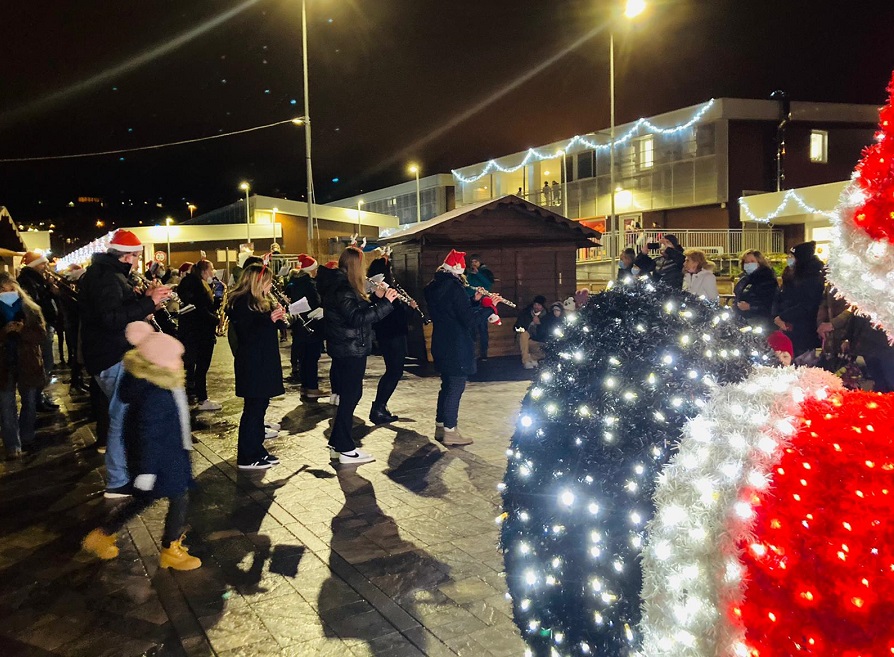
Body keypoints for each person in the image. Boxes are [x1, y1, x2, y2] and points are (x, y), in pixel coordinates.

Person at [81, 322, 200, 571]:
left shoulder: (154, 385)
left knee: (144, 499)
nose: (180, 363)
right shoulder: (156, 393)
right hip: (161, 460)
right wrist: (147, 470)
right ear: (159, 363)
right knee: (179, 498)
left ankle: (103, 534)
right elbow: (148, 434)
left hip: (168, 455)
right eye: (175, 359)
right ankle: (171, 549)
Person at [79, 230, 172, 498]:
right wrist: (148, 302)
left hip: (110, 352)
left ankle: (127, 473)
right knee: (122, 416)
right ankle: (118, 480)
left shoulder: (107, 274)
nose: (137, 262)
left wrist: (146, 299)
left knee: (127, 414)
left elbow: (115, 310)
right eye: (137, 256)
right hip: (112, 354)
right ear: (127, 255)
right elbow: (110, 318)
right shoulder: (107, 278)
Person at [322, 247, 397, 464]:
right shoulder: (343, 288)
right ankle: (346, 449)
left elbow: (356, 312)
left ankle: (338, 443)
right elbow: (356, 318)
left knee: (350, 395)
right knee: (351, 396)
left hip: (349, 347)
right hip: (349, 349)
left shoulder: (343, 286)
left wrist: (376, 297)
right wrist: (385, 304)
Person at [424, 249, 496, 446]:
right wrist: (488, 308)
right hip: (457, 345)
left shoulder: (434, 287)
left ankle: (441, 426)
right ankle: (450, 431)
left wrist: (474, 301)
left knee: (446, 385)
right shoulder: (455, 288)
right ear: (457, 270)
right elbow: (468, 321)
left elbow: (453, 312)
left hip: (442, 342)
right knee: (456, 387)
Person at [226, 263, 286, 470]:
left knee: (261, 406)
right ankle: (246, 455)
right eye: (268, 281)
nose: (271, 286)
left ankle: (257, 449)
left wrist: (279, 318)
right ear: (257, 282)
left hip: (263, 361)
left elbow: (270, 327)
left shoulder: (261, 301)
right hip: (252, 363)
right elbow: (247, 333)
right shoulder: (240, 302)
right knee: (253, 408)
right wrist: (268, 320)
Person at [0, 273, 46, 459]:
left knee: (30, 401)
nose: (7, 293)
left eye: (11, 289)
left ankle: (27, 435)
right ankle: (12, 444)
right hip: (4, 364)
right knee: (6, 405)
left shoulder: (30, 309)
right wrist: (3, 332)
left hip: (28, 362)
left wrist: (22, 330)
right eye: (2, 290)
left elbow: (41, 335)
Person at [367, 253, 416, 425]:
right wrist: (409, 308)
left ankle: (380, 406)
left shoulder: (379, 290)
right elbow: (395, 314)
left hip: (389, 334)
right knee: (394, 371)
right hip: (393, 335)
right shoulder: (382, 289)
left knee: (393, 371)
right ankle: (378, 408)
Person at [176, 259, 221, 411]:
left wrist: (217, 303)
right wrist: (216, 319)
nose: (213, 271)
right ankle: (202, 398)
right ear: (204, 271)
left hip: (194, 332)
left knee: (195, 367)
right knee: (201, 366)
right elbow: (200, 309)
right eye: (212, 268)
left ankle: (197, 396)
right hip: (199, 333)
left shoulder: (195, 283)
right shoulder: (196, 284)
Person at [16, 251, 59, 410]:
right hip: (39, 326)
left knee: (46, 363)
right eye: (43, 264)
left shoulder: (37, 280)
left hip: (45, 324)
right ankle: (36, 400)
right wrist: (48, 290)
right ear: (35, 266)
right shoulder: (28, 281)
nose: (46, 267)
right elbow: (33, 304)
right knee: (44, 363)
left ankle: (39, 397)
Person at [284, 256, 328, 400]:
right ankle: (312, 388)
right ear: (311, 270)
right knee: (312, 357)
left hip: (299, 325)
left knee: (303, 357)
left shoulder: (294, 282)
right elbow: (316, 303)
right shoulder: (310, 284)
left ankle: (304, 387)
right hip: (312, 325)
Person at [773, 241, 825, 360]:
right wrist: (777, 316)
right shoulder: (791, 274)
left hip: (803, 329)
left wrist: (783, 317)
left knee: (801, 360)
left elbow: (808, 305)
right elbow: (779, 296)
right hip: (787, 325)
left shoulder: (813, 277)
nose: (789, 259)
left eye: (792, 257)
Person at [733, 249, 778, 333]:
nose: (749, 264)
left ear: (759, 262)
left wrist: (751, 306)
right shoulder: (745, 279)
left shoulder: (767, 279)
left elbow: (770, 303)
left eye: (752, 261)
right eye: (746, 262)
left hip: (759, 321)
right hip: (744, 318)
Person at [465, 254, 495, 360]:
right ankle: (471, 353)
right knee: (471, 329)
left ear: (479, 262)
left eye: (476, 262)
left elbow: (488, 284)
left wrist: (478, 274)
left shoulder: (485, 272)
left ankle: (483, 354)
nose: (474, 264)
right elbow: (465, 286)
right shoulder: (467, 273)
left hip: (482, 303)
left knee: (483, 329)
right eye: (472, 262)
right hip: (470, 302)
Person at [515, 295, 547, 369]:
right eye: (535, 304)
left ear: (542, 307)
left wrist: (539, 324)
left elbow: (546, 332)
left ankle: (531, 358)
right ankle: (525, 361)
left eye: (539, 305)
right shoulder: (525, 313)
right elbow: (516, 327)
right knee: (524, 334)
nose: (536, 306)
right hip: (523, 339)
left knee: (547, 350)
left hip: (537, 341)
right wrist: (522, 329)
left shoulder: (546, 316)